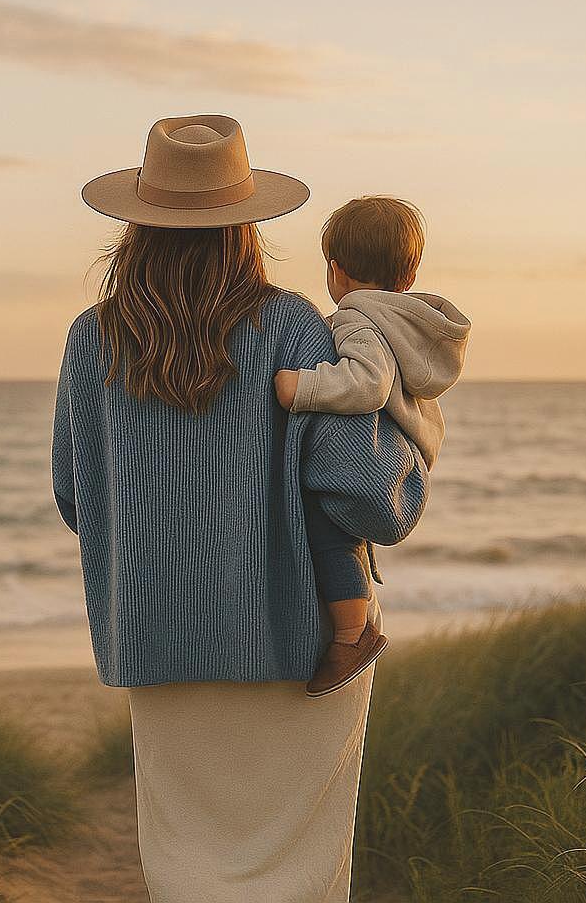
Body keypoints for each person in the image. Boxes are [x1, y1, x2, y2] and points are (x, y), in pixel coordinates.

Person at [53, 114, 428, 902]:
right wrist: (414, 450)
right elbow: (364, 496)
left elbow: (76, 497)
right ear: (246, 226)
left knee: (186, 865)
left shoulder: (92, 339)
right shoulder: (292, 324)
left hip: (154, 639)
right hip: (298, 645)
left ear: (137, 225)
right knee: (296, 869)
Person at [275, 196, 470, 696]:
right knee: (345, 534)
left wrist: (303, 387)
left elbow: (368, 384)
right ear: (407, 277)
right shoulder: (407, 321)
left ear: (335, 272)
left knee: (327, 533)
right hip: (408, 457)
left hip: (379, 459)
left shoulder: (356, 318)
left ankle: (350, 637)